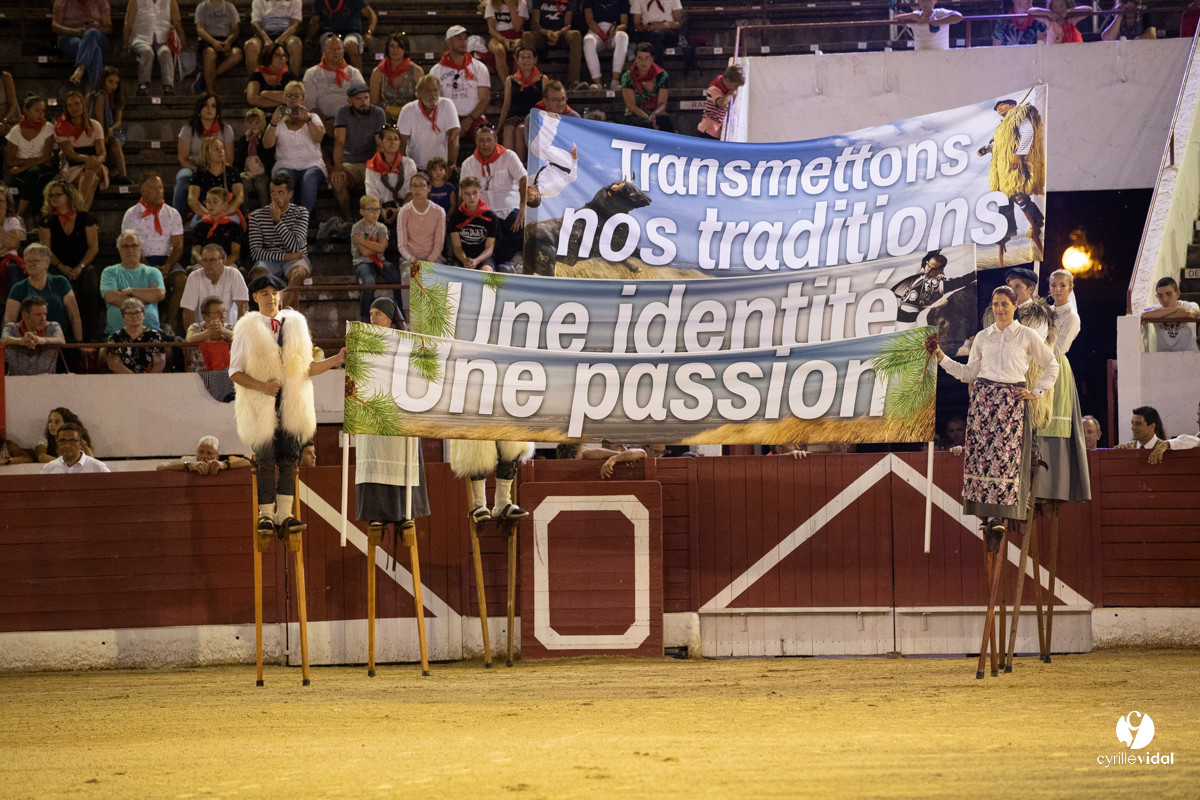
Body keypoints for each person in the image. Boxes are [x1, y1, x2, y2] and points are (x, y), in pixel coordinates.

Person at [934, 285, 1058, 542]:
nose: (1000, 308)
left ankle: (1001, 516)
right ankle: (989, 517)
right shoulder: (982, 337)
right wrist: (942, 358)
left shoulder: (1027, 335)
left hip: (1011, 401)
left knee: (1005, 456)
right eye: (996, 304)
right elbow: (969, 374)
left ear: (1015, 306)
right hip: (983, 399)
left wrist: (1036, 392)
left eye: (1005, 303)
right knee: (982, 456)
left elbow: (1051, 365)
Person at [231, 273, 345, 534]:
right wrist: (262, 386)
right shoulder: (246, 329)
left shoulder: (296, 325)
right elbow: (234, 372)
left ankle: (284, 514)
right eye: (264, 293)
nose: (270, 297)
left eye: (274, 292)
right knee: (266, 460)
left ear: (280, 296)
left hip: (293, 401)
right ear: (255, 297)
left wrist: (335, 360)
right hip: (262, 402)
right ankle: (266, 515)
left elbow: (306, 368)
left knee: (290, 459)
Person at [354, 297, 431, 536]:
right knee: (374, 456)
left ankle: (403, 513)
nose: (372, 318)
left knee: (402, 457)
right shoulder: (363, 343)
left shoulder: (406, 344)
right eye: (371, 313)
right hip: (373, 412)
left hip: (399, 411)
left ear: (389, 318)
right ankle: (376, 513)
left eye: (377, 313)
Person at [978, 98, 1045, 267]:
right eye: (996, 107)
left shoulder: (1019, 115)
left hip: (1013, 166)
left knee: (1019, 195)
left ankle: (1035, 223)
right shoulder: (1001, 128)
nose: (999, 107)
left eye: (1002, 104)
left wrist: (1018, 155)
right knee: (1004, 201)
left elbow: (1028, 133)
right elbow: (999, 147)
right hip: (1001, 171)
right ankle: (1005, 232)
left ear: (1013, 105)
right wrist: (986, 149)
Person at [37, 181, 101, 341]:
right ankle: (61, 333)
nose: (54, 198)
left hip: (82, 264)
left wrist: (80, 267)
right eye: (51, 195)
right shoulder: (47, 221)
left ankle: (92, 334)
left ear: (69, 196)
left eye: (58, 194)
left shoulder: (85, 218)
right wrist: (61, 266)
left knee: (91, 283)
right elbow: (46, 250)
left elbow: (93, 247)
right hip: (58, 265)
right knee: (53, 283)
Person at [120, 174, 185, 332]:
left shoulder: (173, 213)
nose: (159, 192)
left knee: (182, 279)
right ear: (142, 190)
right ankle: (144, 326)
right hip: (141, 261)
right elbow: (130, 246)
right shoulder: (131, 214)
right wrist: (149, 269)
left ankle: (169, 325)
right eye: (153, 188)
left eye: (161, 187)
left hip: (166, 262)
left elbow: (178, 246)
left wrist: (168, 265)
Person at [459, 125, 527, 269]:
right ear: (476, 142)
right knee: (474, 236)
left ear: (496, 140)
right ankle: (497, 263)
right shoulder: (468, 164)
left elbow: (523, 178)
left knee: (522, 229)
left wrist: (522, 208)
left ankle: (500, 263)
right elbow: (463, 192)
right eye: (481, 140)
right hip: (484, 213)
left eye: (489, 140)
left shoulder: (508, 156)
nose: (485, 144)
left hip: (508, 209)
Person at [247, 172, 309, 309]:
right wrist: (284, 256)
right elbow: (256, 253)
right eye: (273, 193)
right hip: (270, 260)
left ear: (290, 194)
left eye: (280, 193)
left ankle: (280, 312)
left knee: (298, 273)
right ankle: (266, 312)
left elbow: (295, 246)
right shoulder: (257, 216)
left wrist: (277, 221)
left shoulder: (301, 213)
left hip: (295, 260)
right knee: (258, 273)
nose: (276, 197)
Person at [263, 81, 327, 215]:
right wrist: (273, 123)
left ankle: (303, 221)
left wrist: (307, 120)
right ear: (285, 99)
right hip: (286, 164)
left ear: (303, 99)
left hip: (311, 164)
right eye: (289, 96)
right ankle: (288, 220)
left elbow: (318, 138)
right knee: (283, 179)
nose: (292, 98)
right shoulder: (279, 122)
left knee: (309, 179)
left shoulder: (313, 117)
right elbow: (267, 144)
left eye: (297, 95)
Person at [3, 243, 84, 344]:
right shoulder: (18, 288)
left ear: (47, 262)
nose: (30, 264)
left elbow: (74, 316)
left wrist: (79, 343)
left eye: (35, 261)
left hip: (58, 342)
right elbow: (9, 321)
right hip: (29, 343)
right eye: (27, 261)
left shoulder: (61, 282)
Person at [332, 81, 387, 224]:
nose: (364, 102)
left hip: (371, 161)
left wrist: (374, 166)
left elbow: (379, 143)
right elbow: (339, 142)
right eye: (359, 99)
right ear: (350, 101)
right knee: (337, 182)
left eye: (366, 98)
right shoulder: (343, 113)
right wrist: (338, 169)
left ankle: (376, 220)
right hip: (350, 162)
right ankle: (349, 218)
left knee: (380, 181)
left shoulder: (378, 113)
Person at [174, 92, 237, 218]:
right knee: (182, 179)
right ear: (199, 109)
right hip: (194, 168)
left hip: (218, 168)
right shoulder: (188, 129)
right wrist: (198, 170)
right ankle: (177, 221)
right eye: (206, 105)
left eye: (213, 106)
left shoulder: (226, 129)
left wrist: (216, 170)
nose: (210, 109)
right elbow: (183, 158)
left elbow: (229, 158)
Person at [430, 26, 492, 146]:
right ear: (448, 41)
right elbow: (438, 100)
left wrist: (469, 120)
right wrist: (454, 122)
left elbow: (485, 99)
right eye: (459, 38)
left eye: (465, 38)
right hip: (447, 118)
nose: (463, 42)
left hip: (474, 117)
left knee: (486, 137)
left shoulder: (479, 67)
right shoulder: (436, 70)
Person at [100, 229, 167, 335]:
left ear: (140, 249)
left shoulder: (153, 272)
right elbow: (111, 297)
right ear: (119, 250)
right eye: (125, 246)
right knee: (103, 352)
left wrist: (129, 291)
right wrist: (146, 296)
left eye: (134, 246)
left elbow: (159, 294)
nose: (130, 250)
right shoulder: (109, 272)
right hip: (117, 333)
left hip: (151, 332)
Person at [54, 90, 108, 212]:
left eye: (77, 103)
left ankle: (76, 210)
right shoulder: (62, 127)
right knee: (93, 181)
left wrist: (96, 160)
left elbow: (102, 152)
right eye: (70, 105)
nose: (74, 108)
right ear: (66, 109)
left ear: (83, 105)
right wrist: (86, 159)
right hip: (75, 167)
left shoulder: (95, 125)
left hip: (96, 165)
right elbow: (69, 154)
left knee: (91, 169)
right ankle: (82, 214)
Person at [5, 94, 57, 219]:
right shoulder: (16, 131)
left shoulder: (48, 128)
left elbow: (46, 158)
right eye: (37, 111)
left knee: (34, 173)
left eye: (43, 111)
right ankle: (37, 226)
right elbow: (10, 161)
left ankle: (19, 215)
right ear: (26, 111)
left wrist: (22, 167)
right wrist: (35, 161)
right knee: (35, 185)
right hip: (24, 176)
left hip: (42, 171)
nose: (41, 114)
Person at [351, 194, 402, 322]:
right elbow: (363, 252)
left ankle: (399, 316)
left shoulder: (382, 227)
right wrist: (374, 246)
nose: (375, 213)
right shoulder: (357, 227)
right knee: (369, 283)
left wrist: (363, 241)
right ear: (362, 211)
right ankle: (365, 317)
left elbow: (382, 248)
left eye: (377, 209)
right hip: (362, 262)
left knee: (397, 278)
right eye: (371, 210)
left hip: (380, 260)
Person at [891, 249, 974, 326]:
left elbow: (963, 280)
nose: (928, 270)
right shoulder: (922, 271)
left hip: (907, 323)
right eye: (928, 266)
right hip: (894, 315)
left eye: (933, 269)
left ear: (940, 270)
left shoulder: (940, 284)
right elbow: (928, 257)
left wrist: (976, 274)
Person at [396, 75, 461, 171]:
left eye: (435, 90)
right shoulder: (408, 109)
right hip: (415, 167)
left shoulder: (447, 105)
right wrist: (405, 168)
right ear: (418, 93)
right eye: (428, 91)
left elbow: (454, 135)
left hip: (441, 168)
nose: (433, 94)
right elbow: (401, 141)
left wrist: (451, 165)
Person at [123, 0, 186, 96]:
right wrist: (124, 46)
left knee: (165, 52)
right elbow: (128, 24)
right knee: (147, 52)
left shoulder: (170, 1)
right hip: (140, 38)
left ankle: (168, 86)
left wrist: (184, 45)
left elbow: (177, 23)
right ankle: (143, 86)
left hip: (162, 39)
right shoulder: (135, 1)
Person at [497, 46, 548, 162]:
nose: (525, 61)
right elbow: (506, 106)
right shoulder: (510, 80)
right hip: (514, 117)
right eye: (522, 57)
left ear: (535, 60)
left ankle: (520, 169)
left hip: (532, 118)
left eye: (529, 57)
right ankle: (508, 167)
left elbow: (546, 105)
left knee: (521, 129)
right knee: (508, 129)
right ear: (517, 60)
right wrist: (498, 128)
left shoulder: (542, 79)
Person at [182, 243, 248, 328]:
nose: (208, 264)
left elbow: (243, 306)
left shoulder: (234, 274)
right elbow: (187, 311)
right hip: (203, 330)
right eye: (204, 260)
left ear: (223, 261)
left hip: (230, 330)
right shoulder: (194, 277)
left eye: (212, 260)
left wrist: (239, 334)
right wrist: (192, 334)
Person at [302, 35, 366, 124]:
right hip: (321, 124)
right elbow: (310, 105)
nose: (335, 52)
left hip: (350, 122)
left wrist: (342, 122)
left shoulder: (354, 72)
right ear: (323, 51)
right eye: (331, 49)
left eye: (339, 49)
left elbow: (362, 100)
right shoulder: (311, 73)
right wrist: (325, 124)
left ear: (343, 51)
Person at [53, 0, 114, 89]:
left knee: (91, 33)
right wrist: (75, 32)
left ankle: (80, 68)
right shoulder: (62, 2)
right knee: (96, 50)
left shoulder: (101, 1)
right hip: (70, 37)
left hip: (97, 36)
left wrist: (97, 28)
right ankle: (96, 90)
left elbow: (109, 29)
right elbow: (55, 26)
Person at [522, 0, 583, 88]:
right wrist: (546, 32)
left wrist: (557, 33)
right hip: (542, 34)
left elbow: (568, 25)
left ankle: (574, 81)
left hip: (561, 34)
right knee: (527, 35)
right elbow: (534, 24)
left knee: (575, 35)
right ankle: (532, 80)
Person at [364, 126, 416, 228]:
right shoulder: (372, 166)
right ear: (381, 143)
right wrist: (382, 212)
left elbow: (411, 193)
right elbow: (372, 195)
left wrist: (399, 211)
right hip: (381, 208)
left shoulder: (408, 163)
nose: (393, 142)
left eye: (396, 139)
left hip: (404, 206)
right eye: (388, 139)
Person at [187, 135, 244, 227]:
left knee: (232, 223)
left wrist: (224, 213)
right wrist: (210, 214)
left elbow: (239, 197)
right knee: (199, 224)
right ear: (206, 153)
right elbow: (192, 199)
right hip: (205, 212)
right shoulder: (198, 174)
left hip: (227, 212)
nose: (220, 151)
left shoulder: (232, 172)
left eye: (222, 148)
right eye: (216, 149)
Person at [307, 0, 376, 72]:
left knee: (351, 45)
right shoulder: (320, 1)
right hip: (329, 31)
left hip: (352, 31)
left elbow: (372, 15)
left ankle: (358, 80)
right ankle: (328, 77)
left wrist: (369, 33)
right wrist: (309, 37)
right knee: (329, 45)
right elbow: (315, 21)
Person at [2, 296, 65, 375]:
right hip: (16, 382)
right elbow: (4, 339)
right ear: (25, 315)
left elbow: (61, 339)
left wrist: (41, 340)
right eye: (38, 315)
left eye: (45, 314)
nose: (43, 319)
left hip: (46, 382)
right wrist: (21, 341)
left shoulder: (53, 326)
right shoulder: (11, 327)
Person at [89, 66, 130, 185]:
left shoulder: (117, 97)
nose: (113, 86)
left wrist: (112, 128)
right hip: (99, 130)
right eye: (110, 81)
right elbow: (99, 121)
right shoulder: (100, 96)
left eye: (116, 83)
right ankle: (118, 175)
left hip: (115, 130)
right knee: (114, 142)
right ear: (104, 81)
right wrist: (105, 135)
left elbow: (119, 120)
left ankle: (122, 175)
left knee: (117, 140)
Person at [370, 32, 425, 122]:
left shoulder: (417, 71)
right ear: (387, 49)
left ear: (405, 49)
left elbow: (421, 101)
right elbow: (374, 103)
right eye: (392, 46)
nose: (395, 49)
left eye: (400, 46)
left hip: (411, 119)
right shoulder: (378, 72)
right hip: (385, 120)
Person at [103, 296, 165, 373]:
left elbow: (159, 363)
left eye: (137, 312)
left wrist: (147, 380)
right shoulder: (115, 337)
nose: (134, 316)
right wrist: (134, 379)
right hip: (124, 379)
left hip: (149, 380)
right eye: (129, 313)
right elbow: (114, 364)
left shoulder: (154, 335)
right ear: (123, 317)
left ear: (143, 315)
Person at [193, 0, 242, 95]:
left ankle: (206, 76)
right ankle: (210, 92)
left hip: (226, 39)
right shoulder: (202, 6)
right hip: (209, 39)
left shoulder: (230, 7)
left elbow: (235, 30)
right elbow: (200, 30)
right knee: (210, 54)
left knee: (237, 54)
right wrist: (213, 42)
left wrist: (228, 42)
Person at [449, 176, 498, 271]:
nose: (471, 197)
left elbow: (489, 248)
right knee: (455, 272)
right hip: (462, 257)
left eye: (474, 193)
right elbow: (457, 247)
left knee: (487, 271)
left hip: (483, 257)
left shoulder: (491, 217)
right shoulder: (456, 217)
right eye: (467, 193)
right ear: (461, 195)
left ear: (480, 192)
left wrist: (476, 260)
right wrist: (464, 260)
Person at [244, 0, 303, 76]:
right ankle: (255, 82)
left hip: (286, 35)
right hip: (264, 35)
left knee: (296, 44)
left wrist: (280, 40)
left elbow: (295, 25)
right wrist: (266, 39)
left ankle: (293, 80)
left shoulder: (295, 1)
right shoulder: (258, 1)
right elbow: (255, 23)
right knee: (250, 45)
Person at [1141, 276, 1199, 353]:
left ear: (1177, 294)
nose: (1164, 299)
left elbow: (1190, 314)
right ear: (1157, 296)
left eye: (1169, 294)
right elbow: (1144, 314)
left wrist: (1160, 314)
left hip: (1189, 354)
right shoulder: (1155, 308)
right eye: (1160, 295)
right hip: (1163, 356)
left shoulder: (1191, 305)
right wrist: (1177, 310)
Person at [582, 0, 630, 91]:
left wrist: (613, 31)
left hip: (613, 31)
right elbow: (590, 21)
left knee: (623, 36)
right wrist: (603, 36)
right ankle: (597, 83)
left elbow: (624, 24)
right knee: (588, 41)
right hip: (596, 30)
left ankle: (615, 81)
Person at [190, 188, 243, 267]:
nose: (211, 205)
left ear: (225, 205)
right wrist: (205, 263)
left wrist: (221, 266)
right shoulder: (200, 226)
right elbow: (195, 251)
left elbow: (235, 253)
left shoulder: (233, 226)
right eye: (208, 202)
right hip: (204, 264)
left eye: (215, 201)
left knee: (233, 272)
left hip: (226, 263)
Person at [236, 108, 276, 212]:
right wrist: (247, 141)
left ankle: (265, 211)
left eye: (257, 123)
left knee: (261, 185)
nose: (253, 126)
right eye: (250, 123)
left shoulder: (265, 139)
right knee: (244, 184)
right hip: (247, 171)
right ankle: (245, 211)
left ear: (262, 124)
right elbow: (240, 157)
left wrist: (259, 142)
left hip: (262, 172)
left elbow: (268, 158)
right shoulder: (243, 140)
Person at [620, 43, 668, 127]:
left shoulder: (662, 76)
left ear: (652, 59)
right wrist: (648, 118)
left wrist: (653, 115)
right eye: (640, 58)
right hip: (635, 114)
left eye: (647, 58)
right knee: (645, 124)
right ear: (635, 59)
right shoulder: (627, 77)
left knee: (664, 119)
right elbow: (631, 105)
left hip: (654, 113)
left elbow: (662, 103)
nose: (643, 62)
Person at [184, 294, 234, 372]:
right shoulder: (195, 327)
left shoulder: (231, 328)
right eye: (218, 313)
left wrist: (223, 331)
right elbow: (189, 339)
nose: (222, 316)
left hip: (226, 374)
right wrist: (208, 332)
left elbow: (241, 338)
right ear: (205, 316)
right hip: (199, 374)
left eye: (224, 312)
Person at [484, 0, 529, 84]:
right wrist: (503, 40)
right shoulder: (491, 3)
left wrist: (511, 6)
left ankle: (516, 81)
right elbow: (492, 29)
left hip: (516, 36)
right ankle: (507, 85)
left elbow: (517, 28)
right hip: (497, 37)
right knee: (499, 49)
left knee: (519, 50)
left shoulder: (521, 3)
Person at [245, 42, 299, 111]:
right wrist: (283, 100)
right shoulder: (257, 75)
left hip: (285, 114)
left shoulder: (289, 76)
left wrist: (265, 94)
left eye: (284, 56)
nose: (282, 58)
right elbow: (252, 99)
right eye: (277, 55)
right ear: (268, 56)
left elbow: (296, 97)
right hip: (262, 116)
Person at [157, 434, 250, 474]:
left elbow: (251, 462)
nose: (204, 456)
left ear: (217, 456)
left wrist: (224, 465)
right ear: (196, 453)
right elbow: (160, 467)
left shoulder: (221, 464)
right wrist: (188, 466)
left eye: (209, 453)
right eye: (201, 452)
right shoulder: (188, 463)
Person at [697, 65, 744, 140]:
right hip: (708, 130)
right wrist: (731, 93)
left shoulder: (725, 91)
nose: (736, 89)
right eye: (735, 86)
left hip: (717, 130)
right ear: (727, 80)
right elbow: (722, 104)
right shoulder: (714, 89)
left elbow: (729, 106)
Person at [41, 423, 109, 473]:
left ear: (81, 444)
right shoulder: (49, 469)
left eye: (72, 441)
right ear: (57, 443)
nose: (67, 445)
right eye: (62, 441)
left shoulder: (98, 468)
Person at [895, 0, 963, 51]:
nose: (925, 3)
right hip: (920, 56)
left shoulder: (940, 13)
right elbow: (896, 18)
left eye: (928, 0)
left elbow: (958, 16)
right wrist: (914, 15)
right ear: (919, 2)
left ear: (934, 1)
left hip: (941, 55)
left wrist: (938, 22)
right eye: (922, 0)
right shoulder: (916, 15)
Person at [0, 182, 26, 296]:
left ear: (7, 204)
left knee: (13, 270)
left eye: (1, 201)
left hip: (9, 260)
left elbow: (14, 243)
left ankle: (19, 307)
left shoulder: (12, 221)